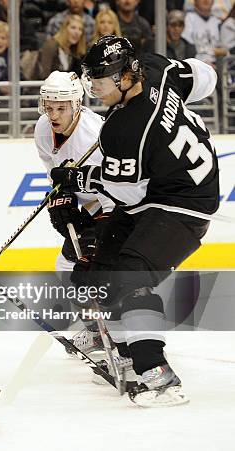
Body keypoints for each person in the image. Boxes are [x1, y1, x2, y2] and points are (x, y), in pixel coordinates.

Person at [51, 35, 219, 407]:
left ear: (127, 75)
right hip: (161, 188)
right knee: (94, 273)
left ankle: (157, 375)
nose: (91, 85)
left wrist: (78, 180)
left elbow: (127, 194)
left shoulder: (124, 128)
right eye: (89, 76)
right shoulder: (157, 68)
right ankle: (126, 354)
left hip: (184, 203)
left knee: (130, 277)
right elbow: (206, 76)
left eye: (100, 78)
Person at [34, 71, 114, 355]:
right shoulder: (43, 129)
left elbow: (115, 191)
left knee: (101, 270)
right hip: (92, 204)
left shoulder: (93, 137)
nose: (53, 114)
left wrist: (97, 233)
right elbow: (55, 173)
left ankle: (123, 336)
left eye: (61, 107)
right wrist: (63, 197)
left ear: (77, 105)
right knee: (67, 267)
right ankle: (96, 332)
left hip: (117, 207)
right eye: (49, 106)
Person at [38, 14, 87, 79]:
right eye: (73, 28)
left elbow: (75, 76)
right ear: (64, 29)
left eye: (80, 29)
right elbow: (44, 74)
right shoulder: (51, 45)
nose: (77, 32)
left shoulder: (74, 51)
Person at [182, 0, 228, 65]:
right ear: (195, 1)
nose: (206, 0)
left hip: (216, 65)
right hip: (195, 65)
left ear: (213, 2)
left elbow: (225, 50)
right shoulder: (189, 18)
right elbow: (187, 47)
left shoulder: (217, 21)